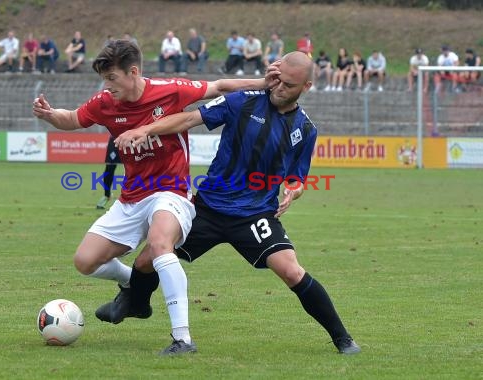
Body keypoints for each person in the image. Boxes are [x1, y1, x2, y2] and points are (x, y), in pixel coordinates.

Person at [110, 51, 361, 355]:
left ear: (306, 87)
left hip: (255, 216)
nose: (280, 89)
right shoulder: (243, 100)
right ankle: (135, 302)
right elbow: (191, 118)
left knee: (292, 271)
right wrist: (145, 129)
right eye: (279, 81)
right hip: (208, 208)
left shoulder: (305, 130)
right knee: (146, 259)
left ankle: (343, 338)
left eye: (289, 86)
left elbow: (298, 178)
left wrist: (293, 191)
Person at [32, 39, 272, 355]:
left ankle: (182, 338)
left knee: (160, 244)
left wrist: (264, 83)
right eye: (104, 79)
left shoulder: (170, 89)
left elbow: (219, 86)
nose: (107, 86)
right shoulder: (106, 102)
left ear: (133, 72)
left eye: (112, 78)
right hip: (132, 198)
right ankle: (133, 282)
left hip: (171, 192)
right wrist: (50, 115)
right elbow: (74, 119)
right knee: (85, 261)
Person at [96, 135, 121, 210]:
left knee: (134, 167)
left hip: (132, 136)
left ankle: (137, 197)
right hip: (115, 138)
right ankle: (107, 195)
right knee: (109, 168)